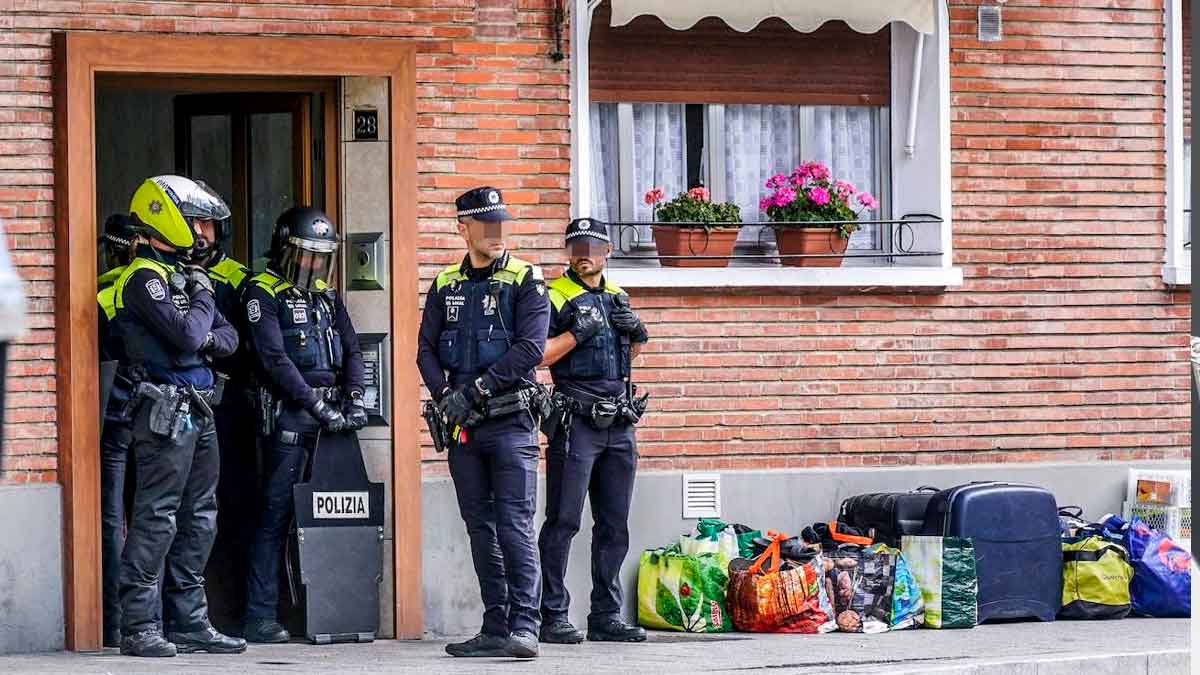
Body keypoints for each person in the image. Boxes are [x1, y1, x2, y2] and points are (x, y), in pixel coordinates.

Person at [111, 175, 245, 657]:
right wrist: (205, 302)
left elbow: (228, 340)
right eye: (197, 223)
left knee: (201, 517)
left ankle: (189, 622)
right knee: (156, 517)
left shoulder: (183, 277)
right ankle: (140, 625)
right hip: (163, 412)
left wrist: (202, 326)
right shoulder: (144, 278)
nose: (205, 233)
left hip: (201, 409)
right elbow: (191, 337)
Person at [416, 187, 550, 659]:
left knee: (514, 523)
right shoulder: (445, 283)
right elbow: (425, 351)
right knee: (480, 527)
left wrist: (474, 391)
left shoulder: (526, 279)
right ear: (463, 227)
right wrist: (444, 397)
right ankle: (496, 624)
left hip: (511, 423)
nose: (496, 233)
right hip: (464, 429)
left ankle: (525, 627)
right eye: (486, 224)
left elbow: (531, 349)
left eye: (501, 224)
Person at [241, 206, 366, 644]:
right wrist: (316, 405)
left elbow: (352, 348)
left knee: (334, 514)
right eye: (305, 255)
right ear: (283, 248)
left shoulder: (326, 295)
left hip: (333, 418)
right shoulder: (261, 291)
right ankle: (260, 616)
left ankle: (329, 613)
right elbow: (274, 359)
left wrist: (354, 399)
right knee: (276, 516)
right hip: (290, 415)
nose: (313, 264)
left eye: (320, 257)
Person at [536, 218, 649, 644]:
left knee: (614, 524)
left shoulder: (619, 296)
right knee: (563, 521)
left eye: (593, 245)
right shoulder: (554, 295)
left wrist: (635, 331)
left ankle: (605, 615)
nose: (585, 252)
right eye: (577, 245)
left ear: (608, 251)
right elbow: (539, 356)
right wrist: (574, 333)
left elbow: (628, 352)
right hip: (576, 423)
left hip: (619, 424)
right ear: (568, 251)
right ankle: (553, 615)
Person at [183, 181, 254, 631]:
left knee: (228, 510)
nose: (202, 232)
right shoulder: (157, 274)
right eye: (195, 223)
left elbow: (244, 346)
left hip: (228, 411)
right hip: (175, 407)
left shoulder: (237, 280)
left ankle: (230, 613)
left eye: (208, 223)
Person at [96, 212, 138, 648]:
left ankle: (113, 623)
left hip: (115, 418)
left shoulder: (103, 292)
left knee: (113, 520)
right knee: (155, 517)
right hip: (155, 419)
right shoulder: (162, 286)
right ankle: (149, 619)